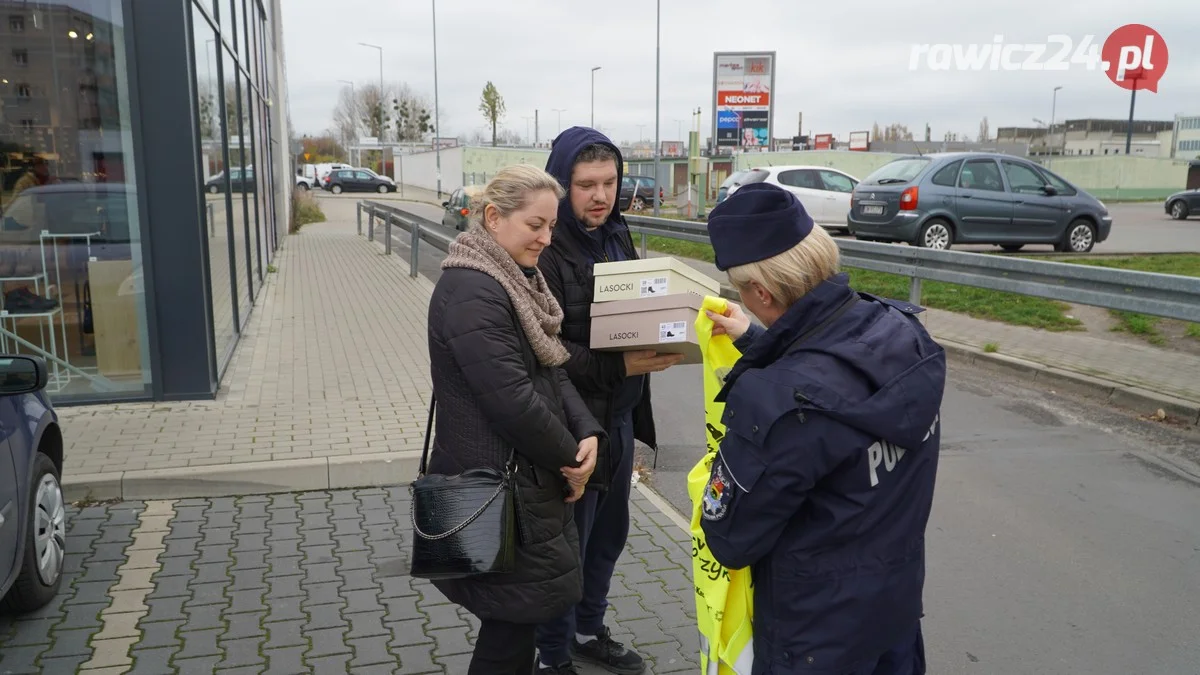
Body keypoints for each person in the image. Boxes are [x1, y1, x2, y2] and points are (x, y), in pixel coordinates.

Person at [698, 182, 946, 674]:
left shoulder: (776, 402)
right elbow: (833, 381)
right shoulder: (901, 333)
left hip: (814, 640)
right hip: (891, 615)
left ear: (761, 292)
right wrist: (756, 339)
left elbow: (730, 538)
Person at [427, 164, 608, 675]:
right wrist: (571, 459)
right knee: (508, 627)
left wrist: (587, 431)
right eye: (536, 225)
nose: (547, 239)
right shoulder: (473, 290)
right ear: (493, 217)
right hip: (497, 487)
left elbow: (551, 368)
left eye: (551, 226)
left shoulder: (514, 279)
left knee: (512, 624)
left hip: (516, 485)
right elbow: (511, 400)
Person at [534, 127, 684, 675]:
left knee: (609, 540)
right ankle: (551, 657)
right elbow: (543, 349)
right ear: (561, 185)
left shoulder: (619, 234)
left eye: (609, 183)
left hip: (619, 418)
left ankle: (588, 630)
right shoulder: (546, 248)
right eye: (585, 185)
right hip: (571, 426)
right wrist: (618, 364)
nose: (600, 196)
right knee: (564, 551)